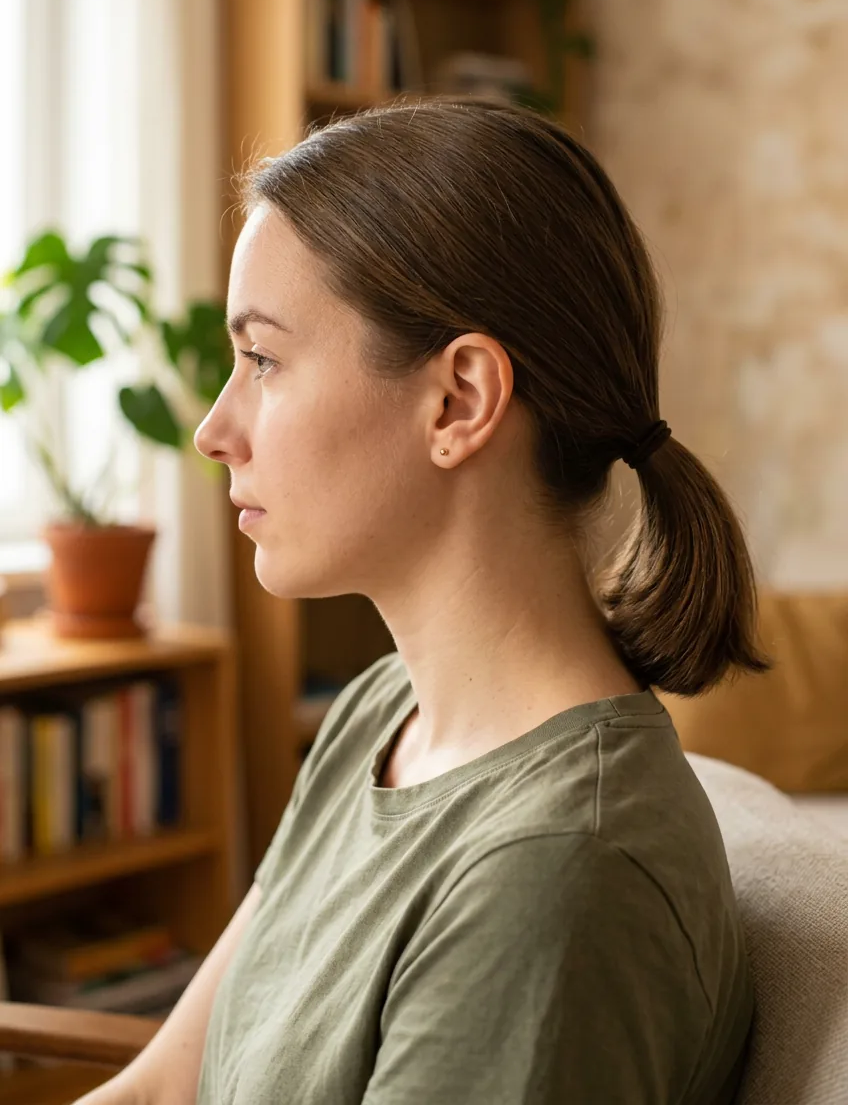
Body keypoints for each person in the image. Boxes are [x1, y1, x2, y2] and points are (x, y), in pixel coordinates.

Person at [76, 97, 768, 1105]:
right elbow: (162, 1088)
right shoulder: (381, 709)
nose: (214, 429)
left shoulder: (554, 874)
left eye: (263, 359)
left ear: (459, 400)